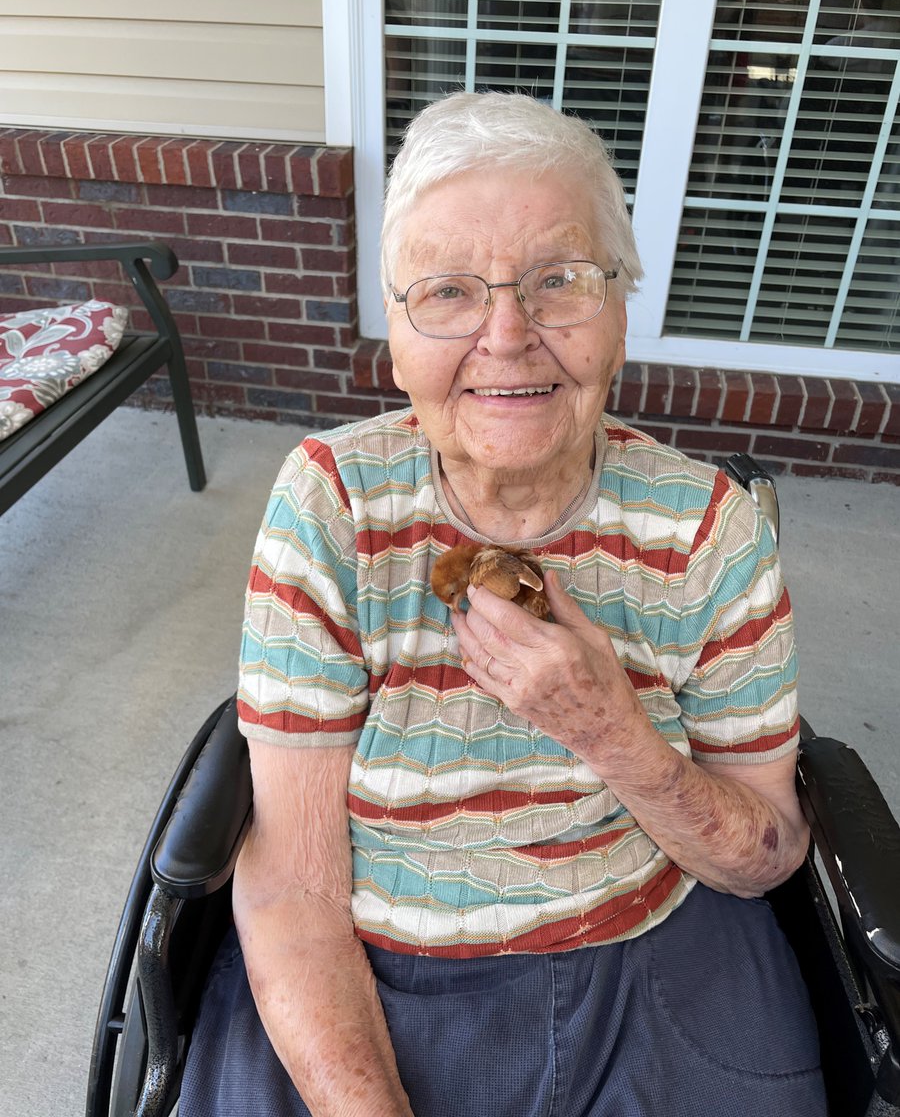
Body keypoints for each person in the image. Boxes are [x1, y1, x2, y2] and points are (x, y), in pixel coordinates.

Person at [180, 91, 826, 1117]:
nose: (508, 335)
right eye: (448, 292)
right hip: (379, 964)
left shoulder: (711, 528)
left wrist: (614, 733)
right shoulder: (334, 505)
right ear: (395, 325)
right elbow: (295, 885)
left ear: (623, 308)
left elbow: (767, 857)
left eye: (559, 280)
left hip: (649, 939)